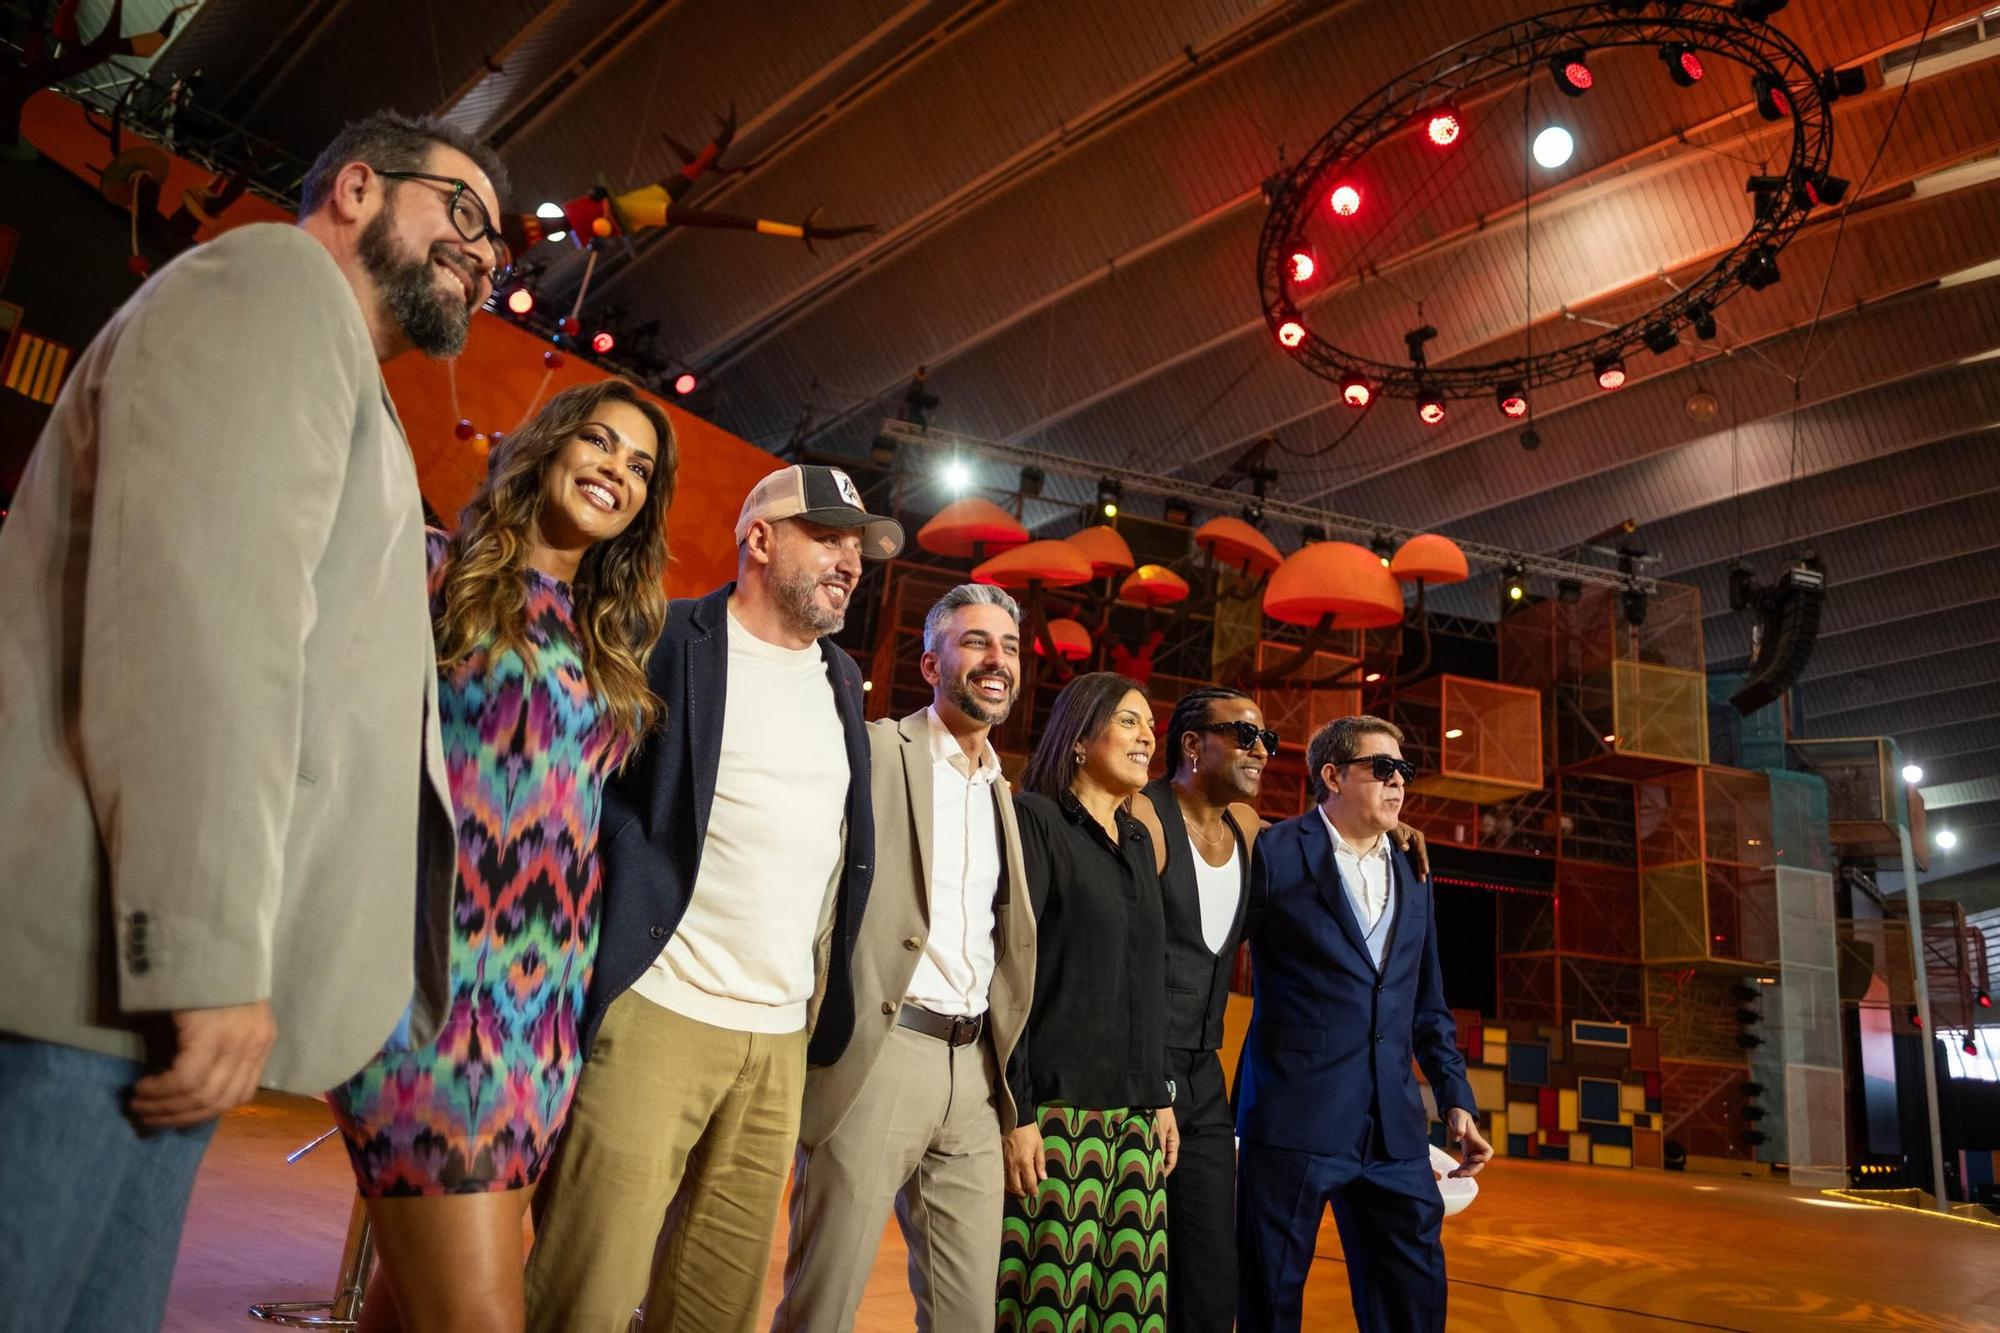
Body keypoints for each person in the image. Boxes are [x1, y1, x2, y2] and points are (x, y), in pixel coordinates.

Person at [0, 109, 506, 1329]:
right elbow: (201, 631)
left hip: (130, 996)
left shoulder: (344, 373)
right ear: (354, 187)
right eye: (464, 215)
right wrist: (208, 948)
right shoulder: (273, 286)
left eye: (500, 252)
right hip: (92, 975)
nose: (486, 259)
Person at [328, 379, 676, 1332]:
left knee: (410, 1314)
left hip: (543, 1010)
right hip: (432, 996)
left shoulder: (609, 639)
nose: (618, 470)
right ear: (549, 446)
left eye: (641, 467)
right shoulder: (438, 575)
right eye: (600, 443)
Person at [524, 464, 900, 1333]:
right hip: (659, 1008)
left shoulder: (843, 681)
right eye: (827, 537)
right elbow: (588, 795)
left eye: (857, 546)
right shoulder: (667, 637)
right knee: (584, 1289)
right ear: (759, 539)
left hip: (778, 1040)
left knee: (713, 1309)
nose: (849, 560)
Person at [773, 583, 1036, 1332]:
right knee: (823, 1304)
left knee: (965, 1320)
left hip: (974, 1072)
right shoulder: (875, 749)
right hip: (880, 1056)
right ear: (931, 662)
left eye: (1009, 647)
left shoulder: (1001, 792)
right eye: (977, 641)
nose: (997, 660)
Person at [1131, 689, 1434, 1333]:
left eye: (1265, 740)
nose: (1259, 751)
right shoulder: (1194, 832)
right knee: (1215, 1287)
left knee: (1228, 1282)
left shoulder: (1398, 863)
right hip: (1214, 1089)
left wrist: (1381, 819)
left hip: (1334, 1111)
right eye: (1383, 770)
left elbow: (1424, 992)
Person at [1234, 715, 1493, 1333]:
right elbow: (1214, 960)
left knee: (1415, 1304)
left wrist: (1455, 1098)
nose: (1398, 782)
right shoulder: (1273, 851)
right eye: (1382, 768)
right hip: (1293, 1117)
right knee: (1269, 1304)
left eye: (1404, 770)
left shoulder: (1413, 867)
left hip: (1395, 1132)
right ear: (1331, 776)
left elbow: (1427, 999)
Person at [999, 672, 1179, 1332]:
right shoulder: (1036, 820)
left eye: (1151, 725)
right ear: (1078, 740)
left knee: (1127, 1311)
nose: (1147, 736)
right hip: (1056, 1114)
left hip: (1135, 1119)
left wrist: (1159, 1093)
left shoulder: (1137, 842)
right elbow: (1010, 971)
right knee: (1047, 1305)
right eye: (1130, 720)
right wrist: (1015, 1110)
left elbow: (1147, 979)